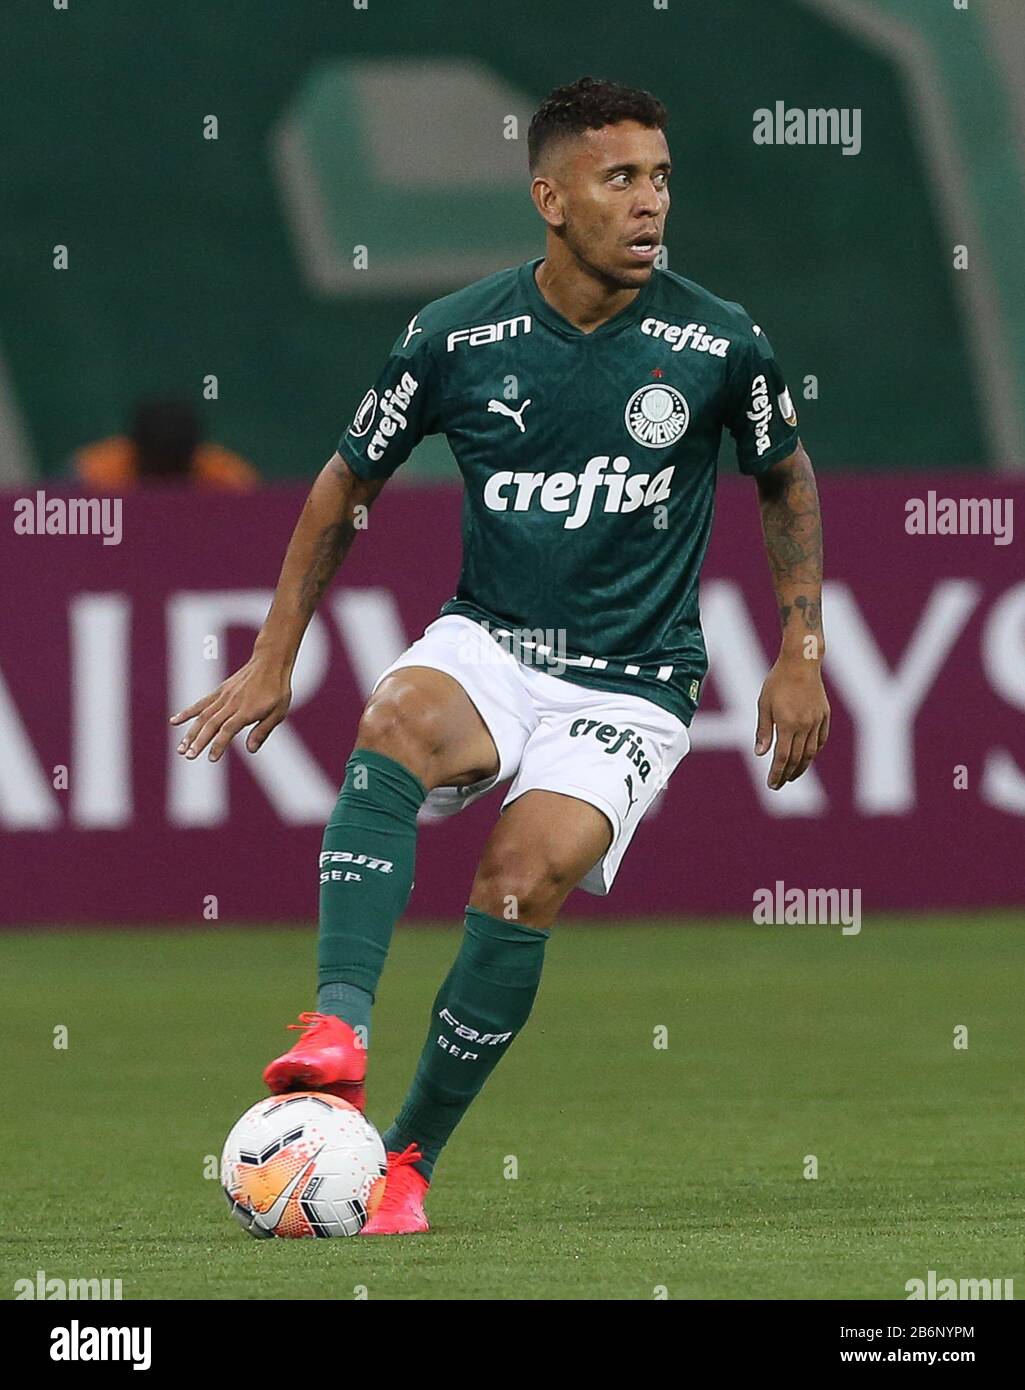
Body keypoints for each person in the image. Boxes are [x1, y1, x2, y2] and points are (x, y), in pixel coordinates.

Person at [170, 76, 829, 1236]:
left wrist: (800, 648)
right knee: (395, 720)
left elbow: (783, 477)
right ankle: (335, 1026)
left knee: (520, 878)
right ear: (550, 197)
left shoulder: (717, 341)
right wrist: (275, 655)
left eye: (660, 178)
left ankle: (408, 1161)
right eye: (619, 178)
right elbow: (342, 486)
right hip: (493, 643)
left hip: (632, 677)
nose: (648, 203)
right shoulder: (454, 337)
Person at [73, 397, 258, 490]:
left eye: (173, 463)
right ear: (135, 449)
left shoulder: (226, 479)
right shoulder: (93, 473)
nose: (164, 481)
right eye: (156, 462)